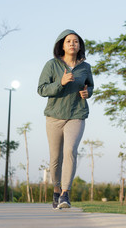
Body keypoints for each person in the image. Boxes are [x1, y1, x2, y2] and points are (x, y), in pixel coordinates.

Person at [37, 29, 94, 209]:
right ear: (62, 44)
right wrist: (60, 83)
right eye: (68, 41)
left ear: (79, 46)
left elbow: (90, 86)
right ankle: (56, 188)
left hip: (76, 114)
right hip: (54, 116)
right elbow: (41, 89)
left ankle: (65, 194)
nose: (72, 44)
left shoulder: (85, 67)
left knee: (70, 151)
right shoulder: (52, 65)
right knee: (55, 157)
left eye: (75, 41)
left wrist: (87, 93)